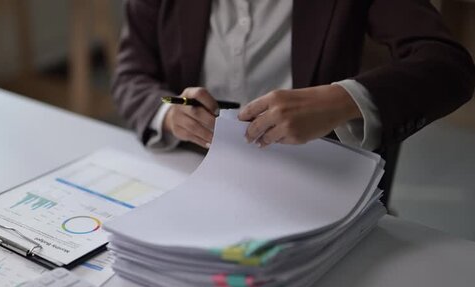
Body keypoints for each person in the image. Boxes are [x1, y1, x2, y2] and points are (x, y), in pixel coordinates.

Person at [111, 0, 475, 203]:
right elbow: (132, 75)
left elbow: (449, 66)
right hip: (190, 180)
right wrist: (168, 109)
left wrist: (343, 99)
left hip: (316, 190)